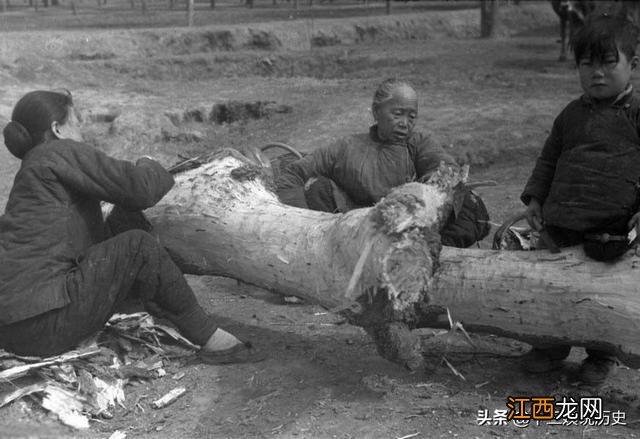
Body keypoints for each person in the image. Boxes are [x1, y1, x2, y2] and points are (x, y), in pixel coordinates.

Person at [0, 89, 263, 364]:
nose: (82, 131)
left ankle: (152, 302)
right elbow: (140, 189)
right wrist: (149, 162)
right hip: (48, 323)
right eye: (76, 121)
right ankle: (211, 339)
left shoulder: (30, 174)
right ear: (57, 129)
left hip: (15, 330)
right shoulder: (58, 151)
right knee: (137, 246)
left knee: (122, 222)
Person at [520, 14, 640, 385]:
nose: (596, 73)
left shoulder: (637, 114)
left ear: (632, 65)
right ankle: (550, 346)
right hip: (559, 224)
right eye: (586, 64)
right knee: (549, 290)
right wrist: (536, 198)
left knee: (601, 296)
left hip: (611, 230)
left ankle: (601, 354)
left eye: (607, 62)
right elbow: (548, 159)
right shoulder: (570, 114)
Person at [276, 78, 490, 249]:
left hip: (412, 227)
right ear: (377, 111)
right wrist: (301, 223)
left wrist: (426, 192)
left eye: (411, 116)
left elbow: (445, 170)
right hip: (355, 232)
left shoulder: (419, 142)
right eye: (397, 114)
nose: (405, 123)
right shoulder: (346, 147)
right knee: (318, 188)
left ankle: (434, 256)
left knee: (470, 205)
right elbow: (293, 174)